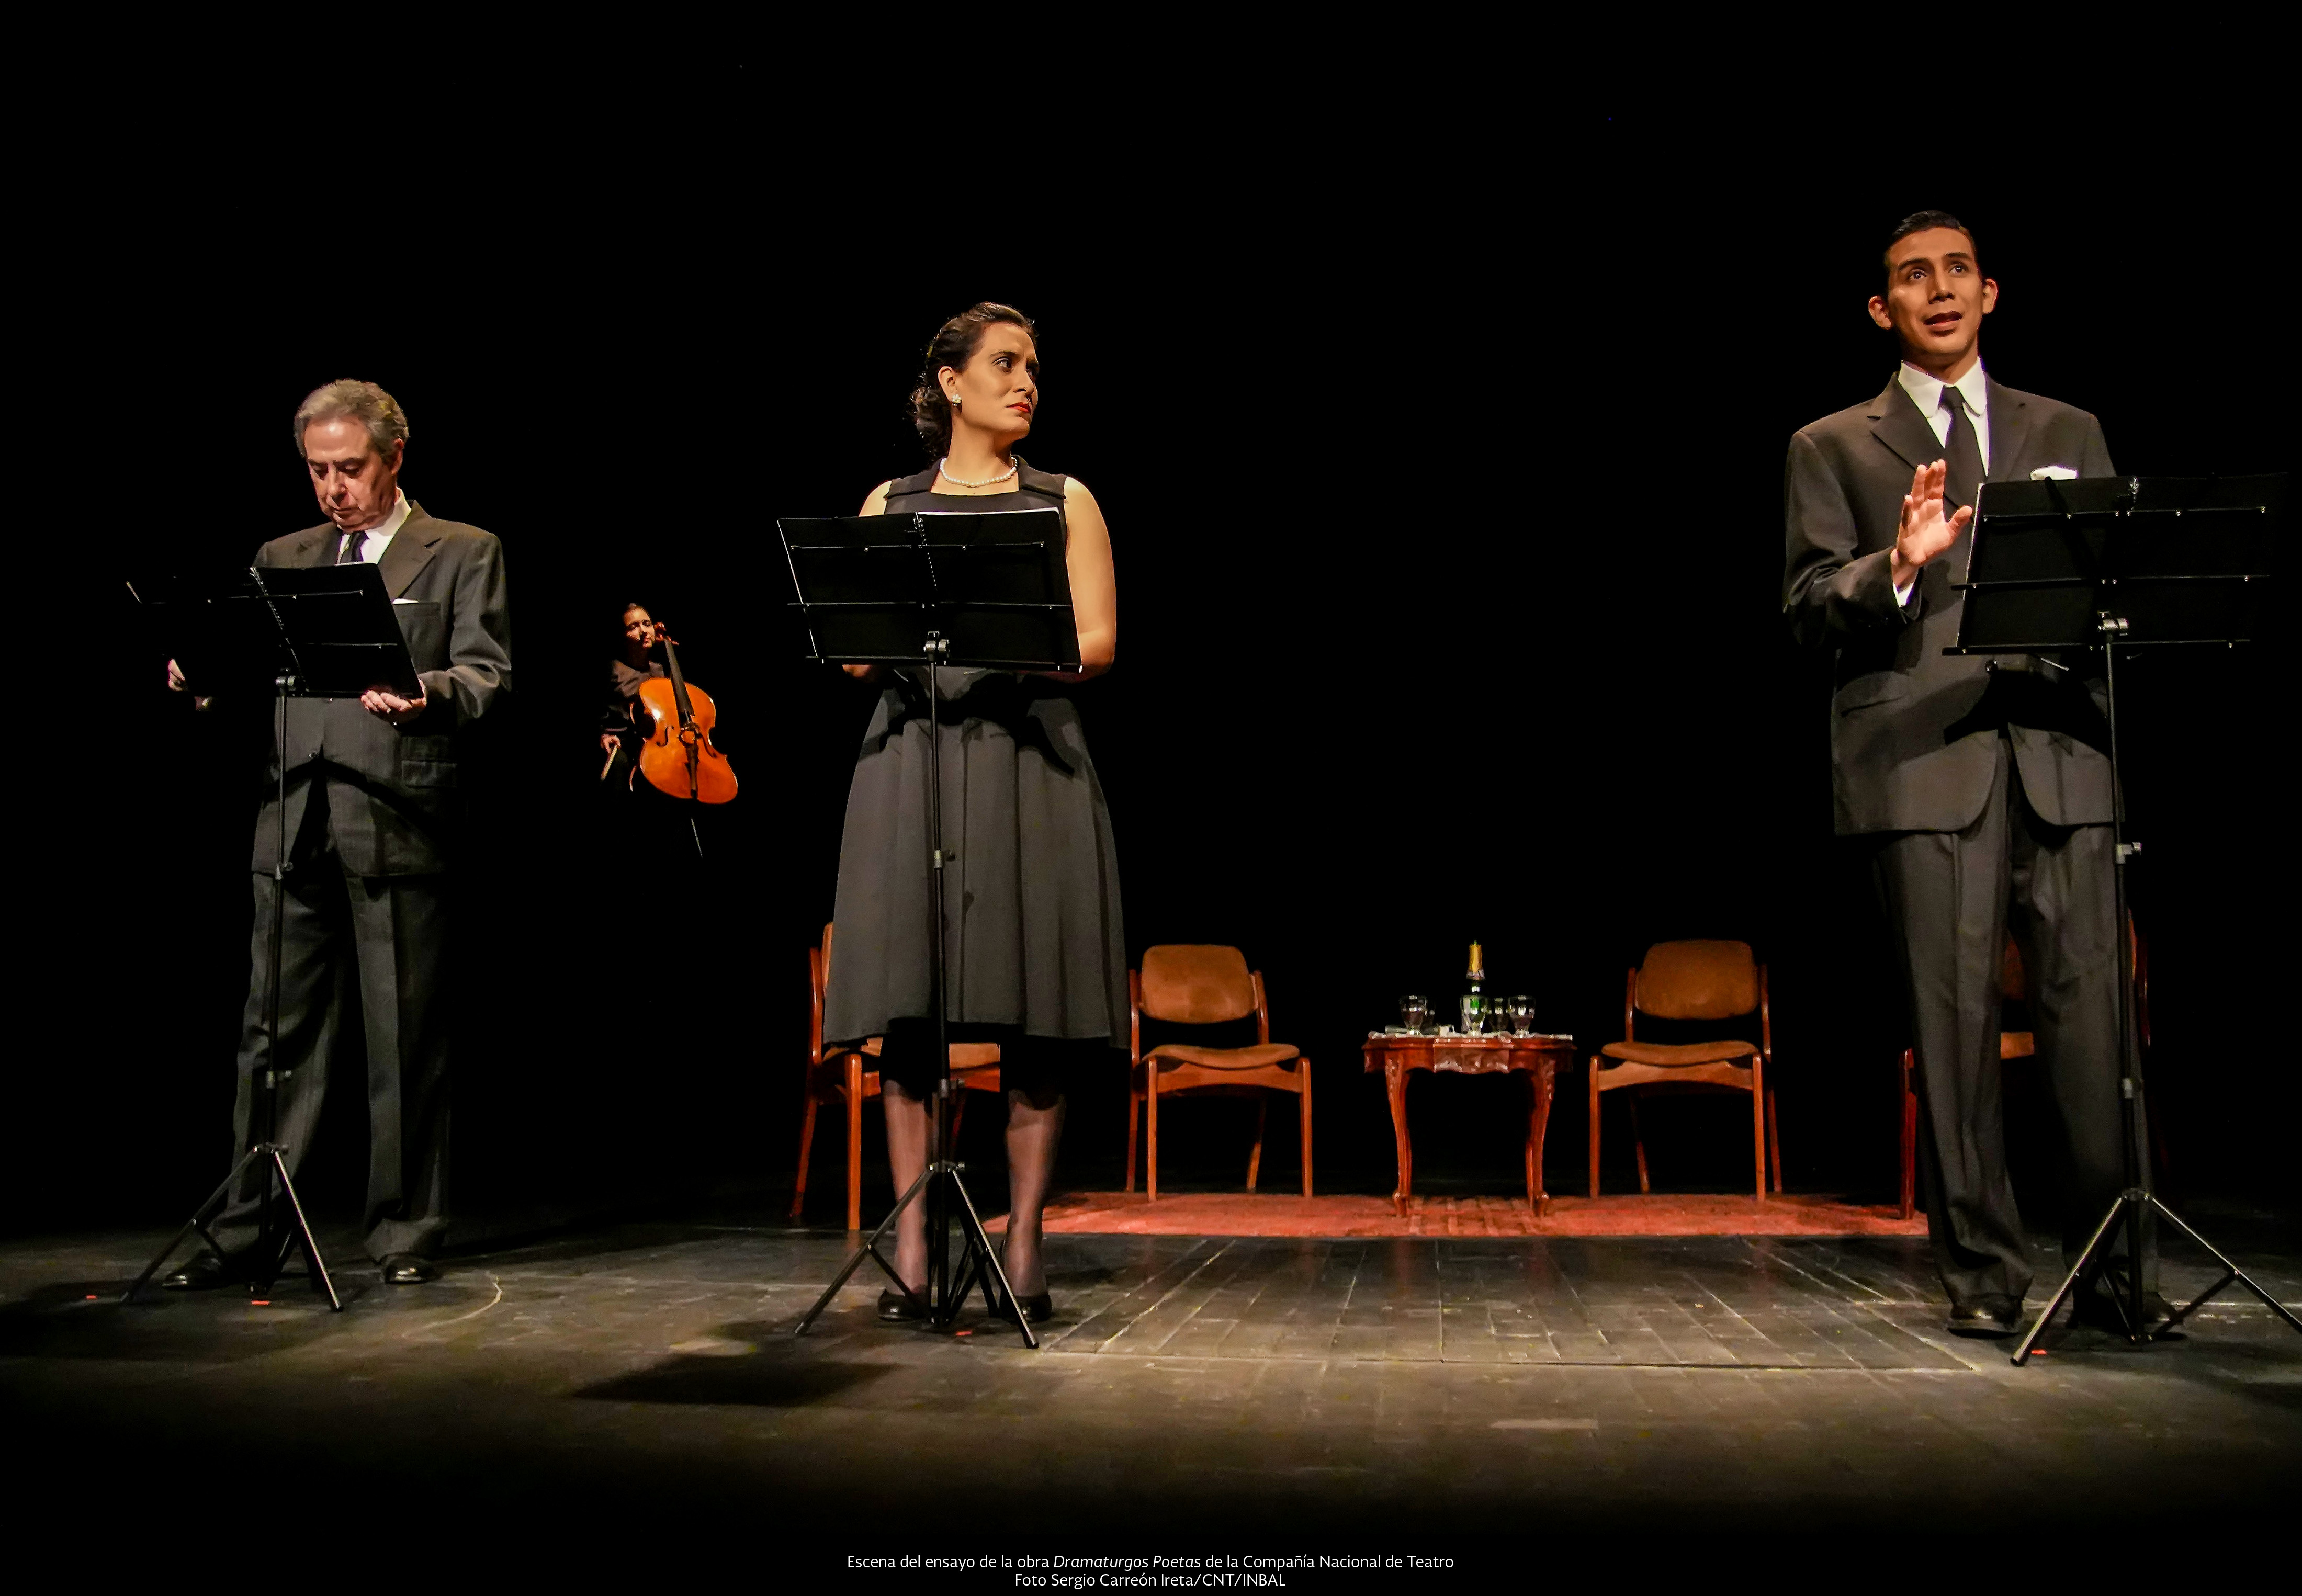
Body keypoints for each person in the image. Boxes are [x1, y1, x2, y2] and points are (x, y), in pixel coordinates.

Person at [1782, 212, 2156, 1337]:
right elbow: (1804, 604)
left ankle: (2115, 1274)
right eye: (1910, 277)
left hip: (2061, 753)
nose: (1936, 290)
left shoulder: (2069, 427)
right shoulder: (1832, 443)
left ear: (1990, 291)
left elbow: (2115, 588)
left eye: (1954, 272)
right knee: (1952, 1035)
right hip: (1926, 758)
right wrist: (1892, 566)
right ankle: (1986, 1279)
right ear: (1879, 308)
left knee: (2096, 1027)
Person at [165, 379, 512, 1289]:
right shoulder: (285, 553)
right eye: (318, 471)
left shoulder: (461, 550)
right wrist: (201, 675)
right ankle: (250, 1226)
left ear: (395, 459)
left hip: (397, 809)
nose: (333, 489)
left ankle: (405, 1231)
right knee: (270, 1032)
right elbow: (248, 666)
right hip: (294, 812)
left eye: (349, 469)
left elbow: (486, 673)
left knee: (402, 1035)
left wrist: (427, 693)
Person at [821, 302, 1122, 1324]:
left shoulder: (1062, 497)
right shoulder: (891, 499)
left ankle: (1024, 1240)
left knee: (1033, 1009)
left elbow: (1096, 642)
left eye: (1033, 364)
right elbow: (856, 649)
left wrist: (1003, 634)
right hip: (910, 756)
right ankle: (912, 1239)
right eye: (1004, 362)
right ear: (949, 382)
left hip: (1025, 759)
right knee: (911, 1011)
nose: (1026, 380)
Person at [601, 602, 668, 775]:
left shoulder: (659, 670)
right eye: (634, 627)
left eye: (647, 624)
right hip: (620, 742)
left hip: (654, 743)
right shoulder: (613, 669)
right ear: (623, 636)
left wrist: (669, 650)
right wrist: (602, 735)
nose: (644, 631)